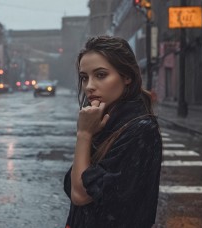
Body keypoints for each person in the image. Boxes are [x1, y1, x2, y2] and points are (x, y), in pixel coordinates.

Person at [63, 36, 163, 227]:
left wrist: (84, 134)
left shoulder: (141, 130)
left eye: (100, 75)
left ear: (127, 77)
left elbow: (80, 195)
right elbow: (73, 182)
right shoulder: (104, 122)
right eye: (84, 77)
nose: (89, 86)